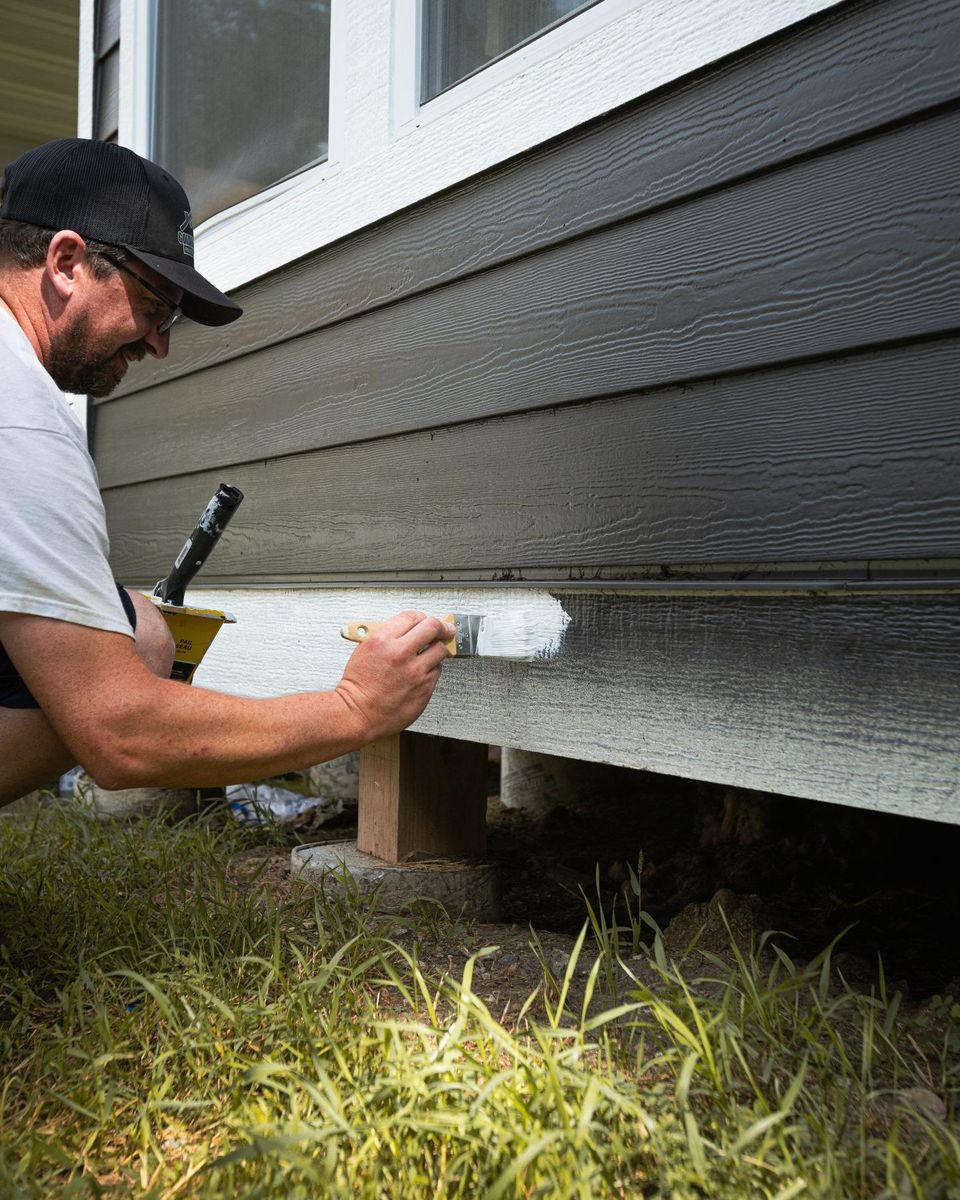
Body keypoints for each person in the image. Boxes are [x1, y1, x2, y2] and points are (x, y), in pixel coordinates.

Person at [0, 138, 452, 806]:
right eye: (155, 306)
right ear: (66, 262)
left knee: (135, 625)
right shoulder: (19, 419)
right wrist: (356, 707)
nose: (160, 343)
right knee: (132, 646)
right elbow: (118, 732)